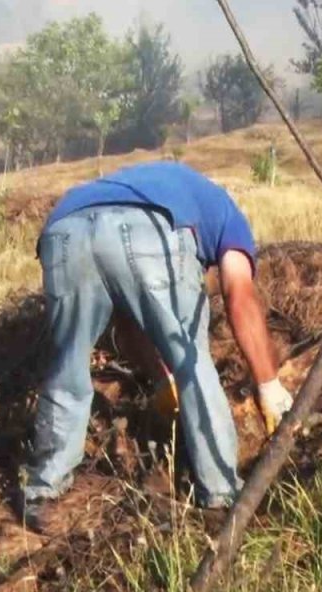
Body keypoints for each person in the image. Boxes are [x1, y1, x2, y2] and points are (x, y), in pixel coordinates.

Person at [21, 161, 294, 531]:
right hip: (148, 227)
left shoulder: (156, 182)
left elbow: (128, 317)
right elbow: (239, 294)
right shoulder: (229, 217)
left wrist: (162, 381)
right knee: (192, 362)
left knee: (66, 367)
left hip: (63, 230)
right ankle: (220, 495)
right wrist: (268, 385)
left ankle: (43, 493)